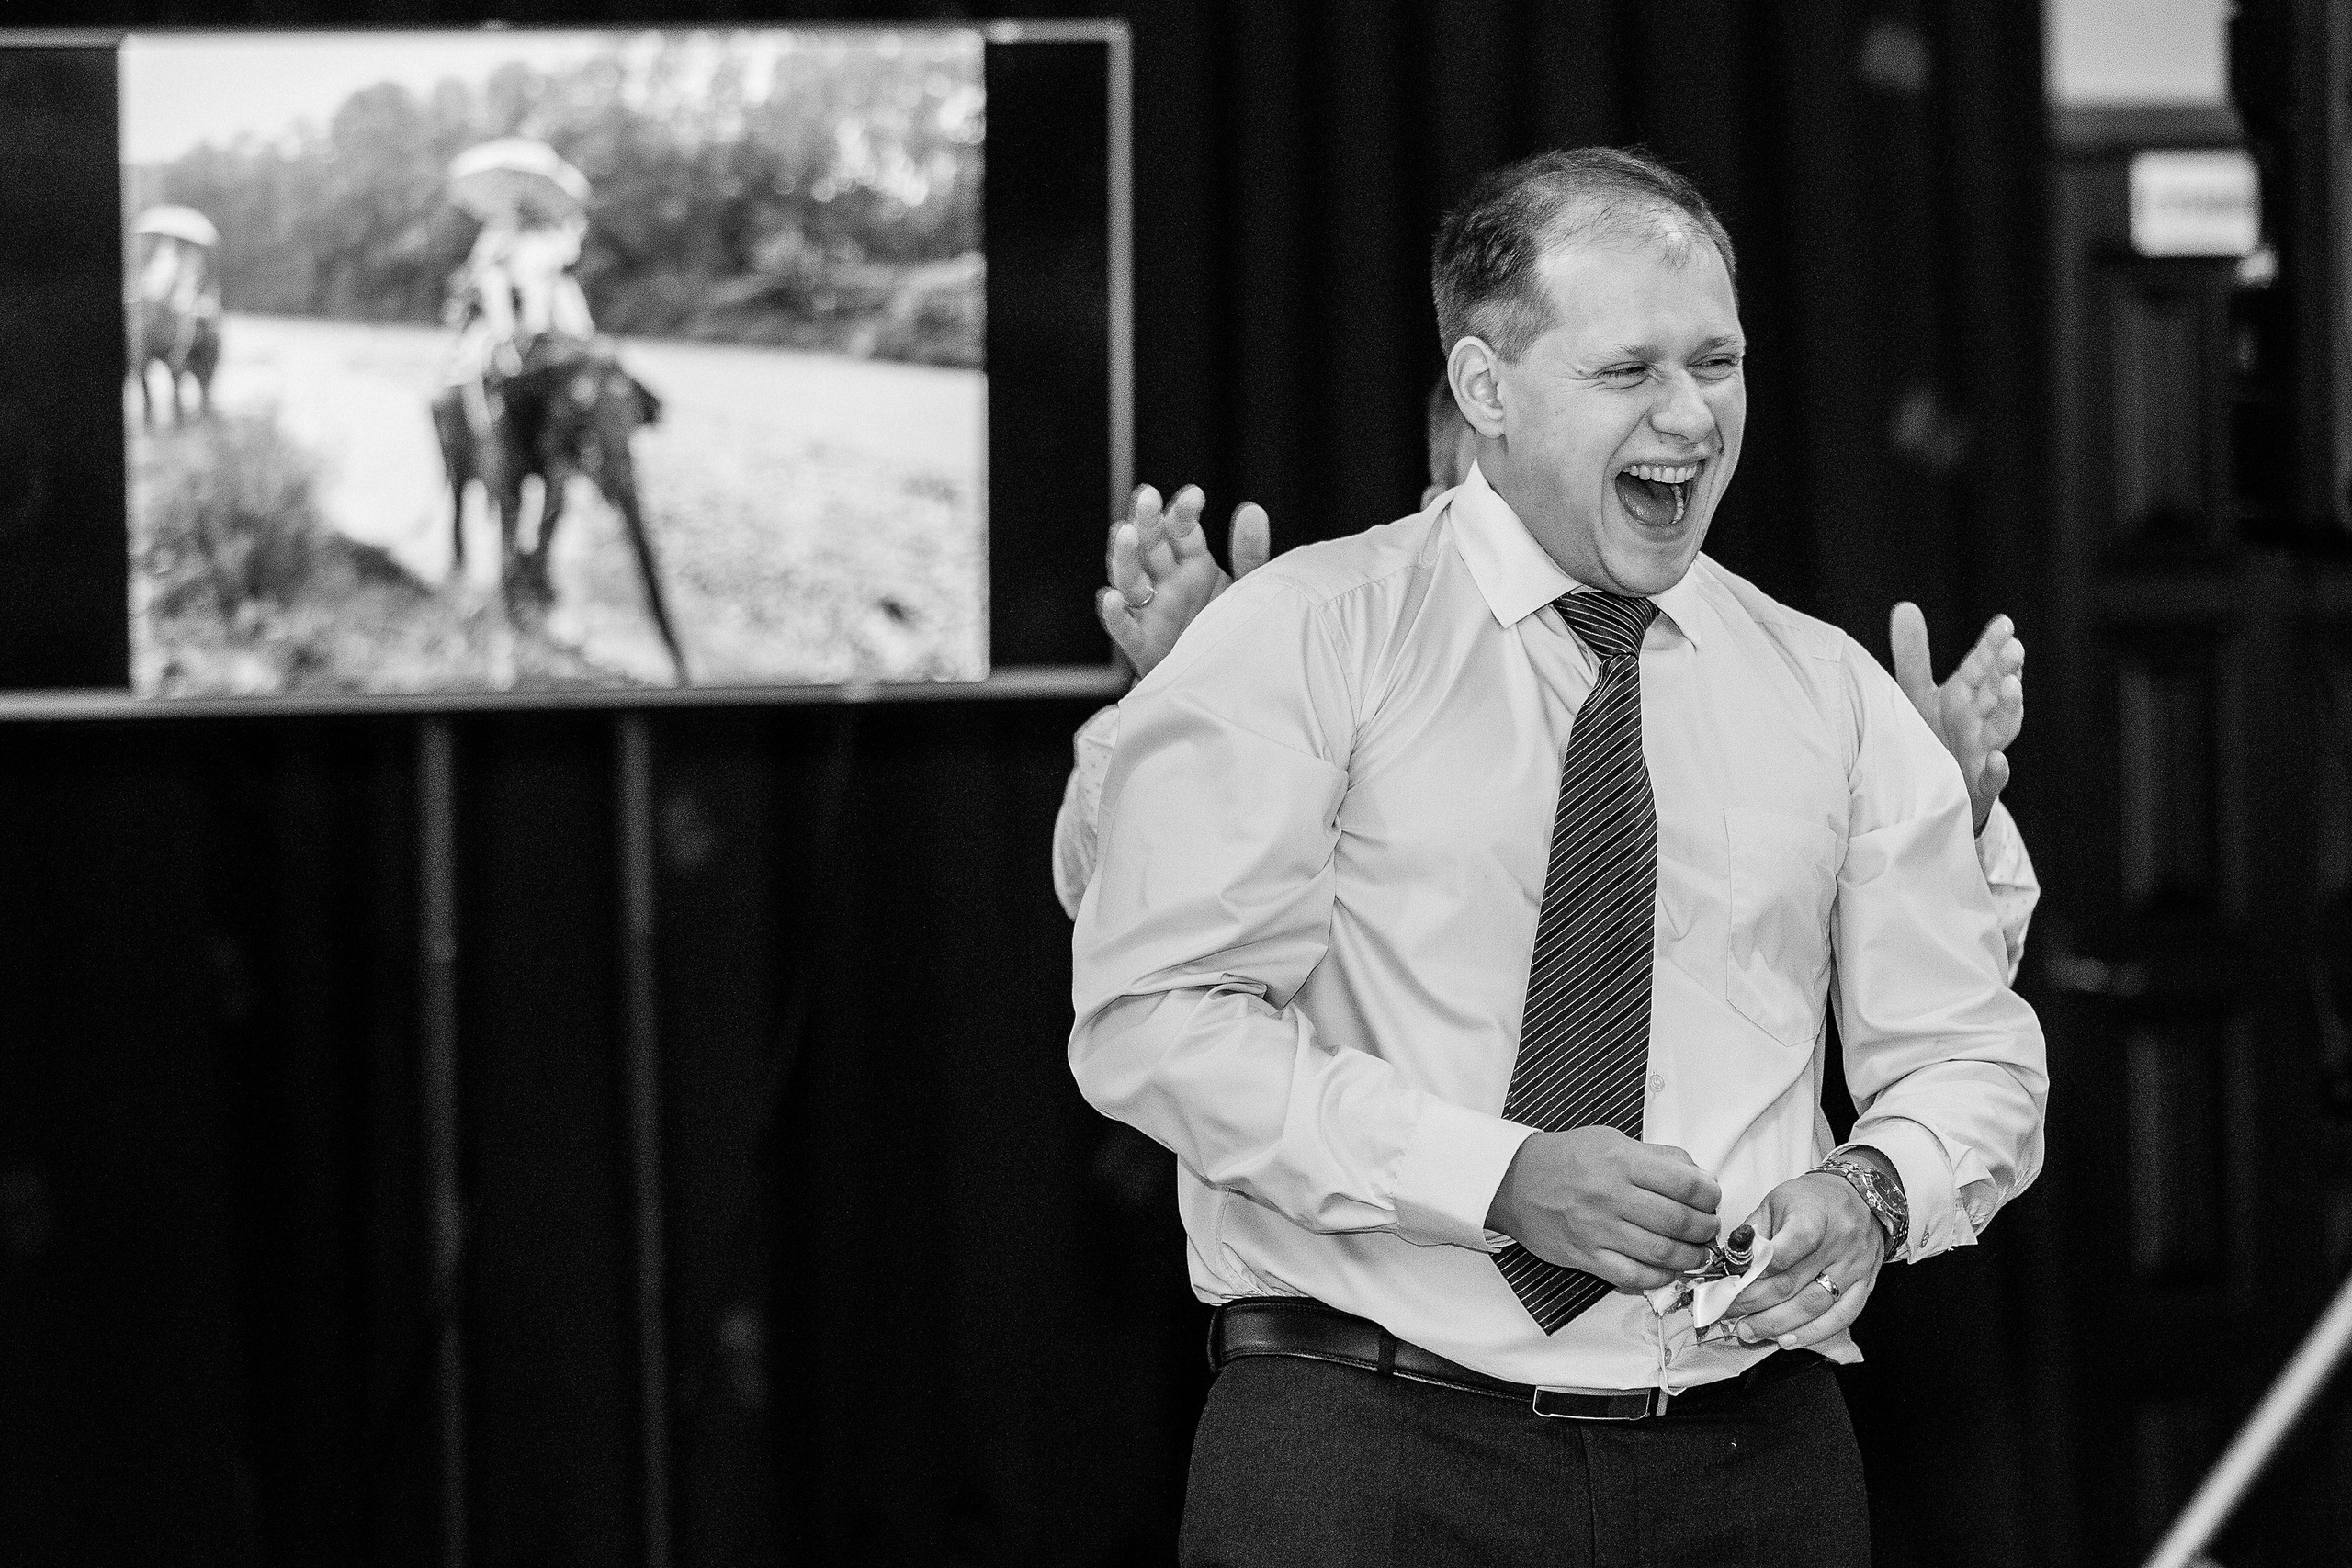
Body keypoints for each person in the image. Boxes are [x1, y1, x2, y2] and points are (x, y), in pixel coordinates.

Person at [1068, 147, 2047, 1566]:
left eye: (1719, 361)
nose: (1690, 414)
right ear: (1486, 389)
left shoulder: (1824, 686)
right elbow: (1154, 1019)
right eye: (1628, 369)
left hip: (1753, 1465)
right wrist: (1501, 1177)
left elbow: (1974, 1051)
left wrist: (1874, 1192)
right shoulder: (1306, 635)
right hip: (1368, 1449)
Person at [1055, 400, 2037, 983]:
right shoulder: (1335, 683)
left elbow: (1946, 989)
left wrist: (1937, 824)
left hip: (1704, 1268)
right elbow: (1119, 909)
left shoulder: (1778, 699)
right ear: (1439, 502)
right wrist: (1195, 700)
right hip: (1389, 1263)